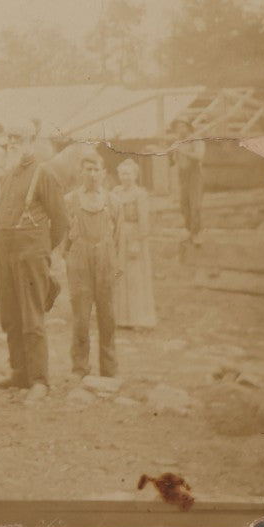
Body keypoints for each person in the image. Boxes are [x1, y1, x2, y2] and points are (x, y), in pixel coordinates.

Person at [0, 121, 72, 402]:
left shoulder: (44, 173)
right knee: (10, 316)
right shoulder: (8, 175)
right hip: (6, 253)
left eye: (20, 138)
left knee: (31, 318)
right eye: (10, 139)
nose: (14, 144)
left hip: (30, 254)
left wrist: (41, 251)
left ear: (32, 142)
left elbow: (60, 221)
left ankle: (39, 380)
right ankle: (18, 373)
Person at [63, 151, 120, 380]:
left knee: (107, 316)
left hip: (105, 259)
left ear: (104, 173)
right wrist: (70, 259)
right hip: (79, 260)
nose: (93, 174)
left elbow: (119, 236)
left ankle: (109, 369)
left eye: (97, 170)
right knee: (81, 318)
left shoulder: (113, 201)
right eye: (88, 169)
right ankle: (80, 368)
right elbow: (63, 236)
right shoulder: (69, 200)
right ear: (81, 172)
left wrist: (114, 263)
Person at [112, 158, 157, 329]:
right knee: (119, 275)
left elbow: (144, 221)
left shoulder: (140, 194)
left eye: (129, 174)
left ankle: (138, 318)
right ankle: (121, 318)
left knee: (134, 277)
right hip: (118, 237)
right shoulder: (115, 192)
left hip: (133, 237)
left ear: (135, 175)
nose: (125, 177)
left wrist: (136, 242)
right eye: (122, 174)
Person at [169, 116, 206, 248]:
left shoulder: (196, 140)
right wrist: (171, 152)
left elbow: (199, 156)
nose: (179, 129)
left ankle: (197, 233)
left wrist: (181, 151)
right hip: (182, 175)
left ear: (188, 127)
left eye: (182, 126)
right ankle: (188, 230)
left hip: (194, 175)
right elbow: (173, 162)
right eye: (177, 127)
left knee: (195, 204)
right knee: (184, 204)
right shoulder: (177, 142)